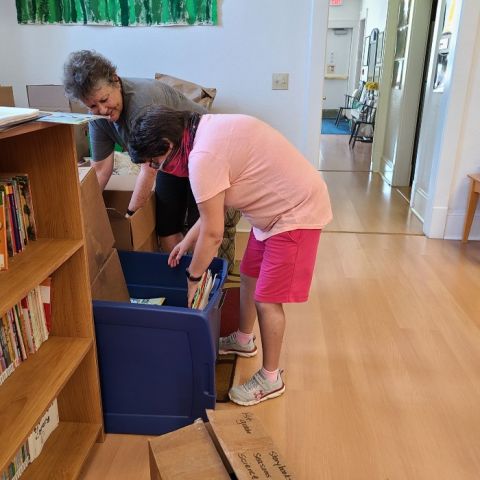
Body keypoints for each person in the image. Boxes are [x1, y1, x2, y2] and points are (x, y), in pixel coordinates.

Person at [128, 105, 333, 406]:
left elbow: (214, 234)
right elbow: (214, 206)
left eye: (156, 163)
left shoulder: (201, 158)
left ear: (168, 146)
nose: (159, 170)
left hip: (295, 212)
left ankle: (271, 377)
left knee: (267, 298)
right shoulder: (203, 132)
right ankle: (243, 339)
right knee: (248, 274)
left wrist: (193, 277)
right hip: (272, 213)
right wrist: (186, 244)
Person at [63, 50, 207, 251]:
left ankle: (201, 278)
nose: (102, 110)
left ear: (115, 80)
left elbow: (149, 168)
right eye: (93, 105)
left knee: (199, 226)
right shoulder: (98, 120)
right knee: (166, 227)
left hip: (201, 151)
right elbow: (100, 169)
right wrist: (79, 213)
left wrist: (130, 215)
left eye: (104, 100)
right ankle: (176, 280)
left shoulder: (142, 104)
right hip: (168, 160)